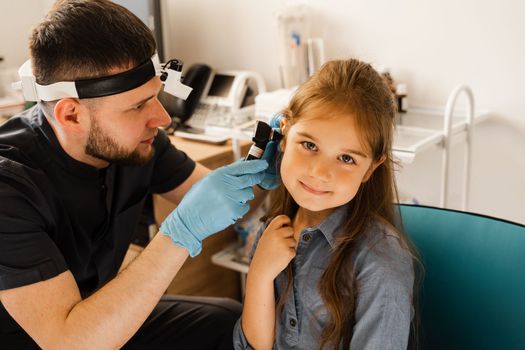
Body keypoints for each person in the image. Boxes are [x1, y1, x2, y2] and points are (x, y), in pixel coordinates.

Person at [0, 1, 272, 349]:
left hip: (97, 315)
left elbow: (233, 206)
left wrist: (268, 167)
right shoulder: (9, 186)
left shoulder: (140, 144)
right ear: (71, 115)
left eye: (155, 97)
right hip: (53, 338)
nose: (162, 119)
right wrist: (178, 234)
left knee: (227, 324)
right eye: (137, 106)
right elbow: (68, 342)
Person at [233, 59, 420, 349]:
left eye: (346, 158)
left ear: (371, 168)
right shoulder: (275, 229)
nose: (320, 172)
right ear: (284, 134)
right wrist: (259, 274)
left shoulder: (380, 264)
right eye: (309, 145)